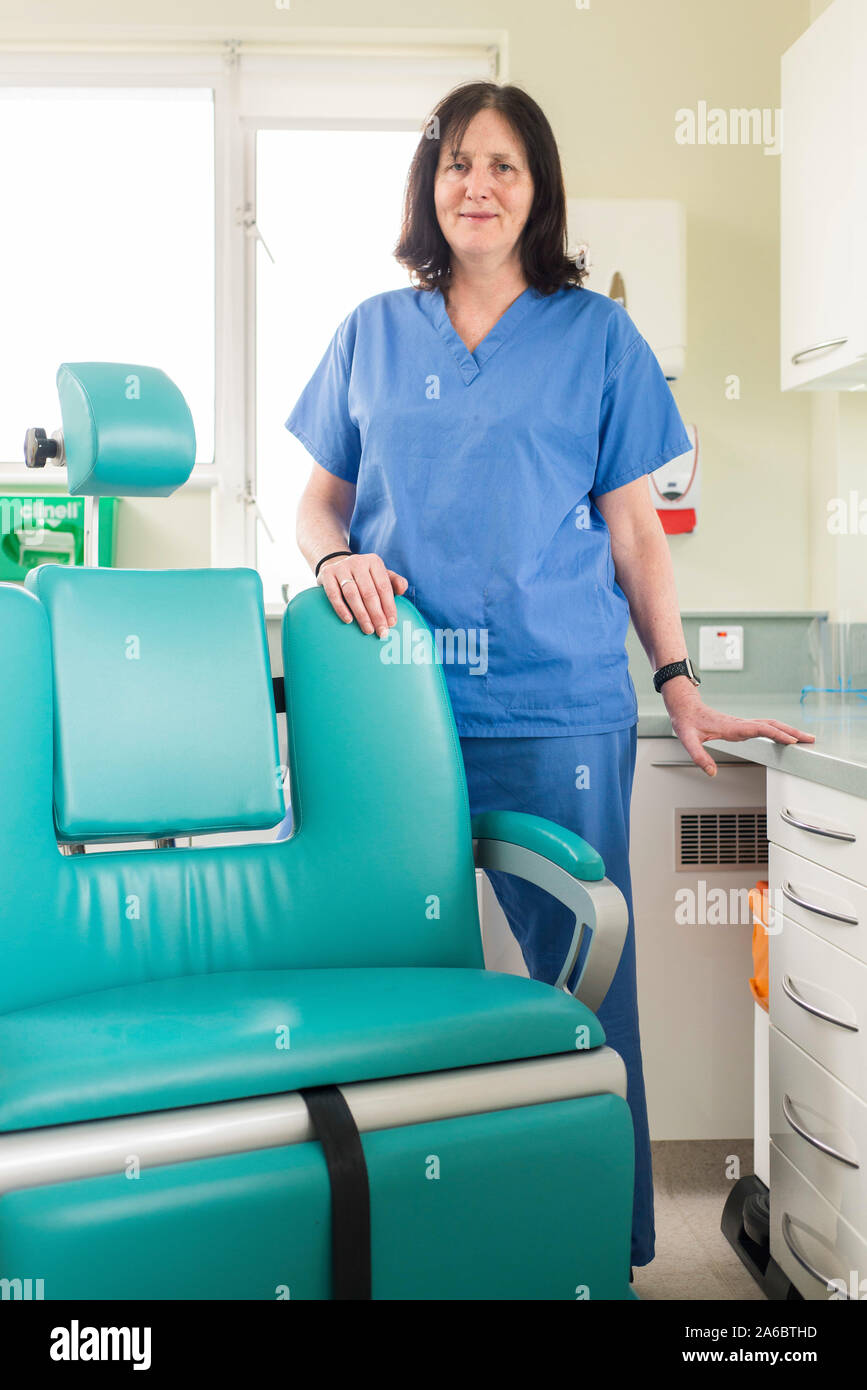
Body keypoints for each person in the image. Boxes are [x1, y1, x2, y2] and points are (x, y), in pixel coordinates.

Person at [280, 81, 814, 1270]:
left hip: (557, 704)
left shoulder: (597, 337)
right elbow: (317, 498)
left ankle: (600, 1236)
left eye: (506, 166)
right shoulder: (372, 329)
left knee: (585, 976)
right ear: (431, 184)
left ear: (538, 190)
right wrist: (334, 556)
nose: (478, 183)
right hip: (394, 709)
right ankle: (406, 1230)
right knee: (399, 984)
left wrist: (676, 682)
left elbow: (634, 538)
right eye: (459, 162)